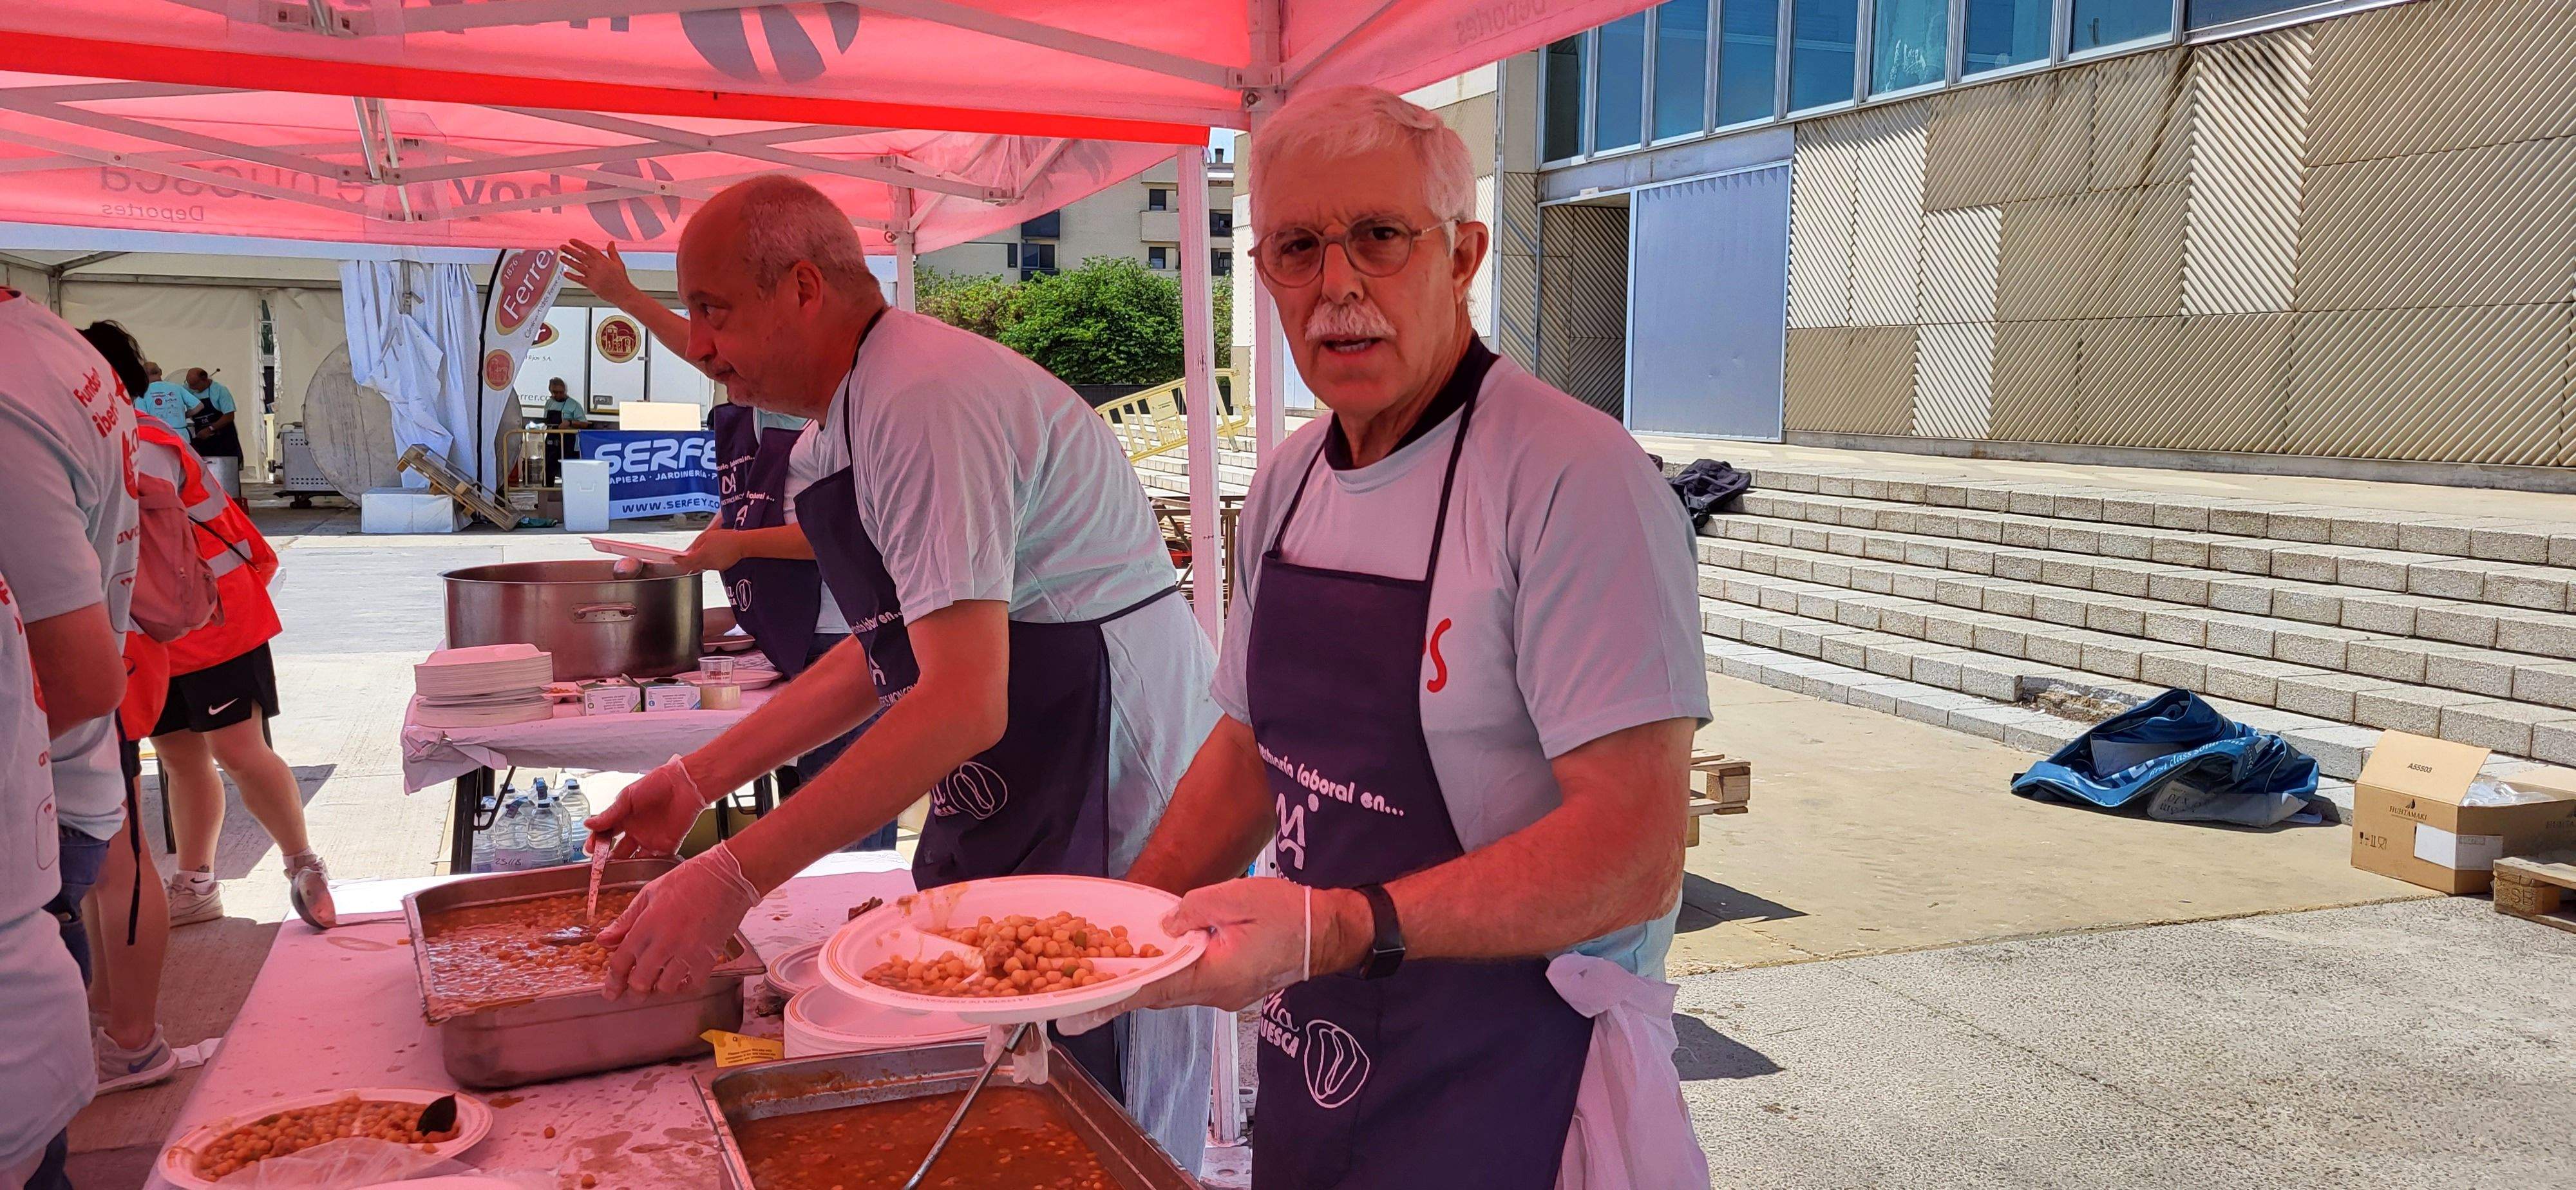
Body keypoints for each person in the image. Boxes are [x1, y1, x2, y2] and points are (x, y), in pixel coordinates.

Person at [1073, 86, 1714, 1188]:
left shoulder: (1574, 478)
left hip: (1525, 1087)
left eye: (1379, 237)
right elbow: (1246, 748)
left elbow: (1634, 851)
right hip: (1323, 1057)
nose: (1338, 286)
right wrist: (1119, 939)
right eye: (1296, 247)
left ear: (1462, 254)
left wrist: (1332, 925)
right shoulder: (1286, 479)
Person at [576, 178, 1215, 1166]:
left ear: (801, 288)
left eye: (713, 310)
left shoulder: (921, 400)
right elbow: (885, 654)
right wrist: (696, 779)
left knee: (1102, 1053)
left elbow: (958, 700)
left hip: (1105, 744)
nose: (697, 345)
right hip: (1032, 738)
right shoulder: (850, 417)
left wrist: (734, 876)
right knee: (1008, 1036)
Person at [562, 241, 893, 850]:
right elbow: (755, 498)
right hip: (785, 633)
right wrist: (715, 538)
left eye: (719, 318)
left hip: (841, 634)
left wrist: (739, 546)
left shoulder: (838, 407)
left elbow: (852, 538)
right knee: (808, 800)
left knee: (845, 822)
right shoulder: (759, 408)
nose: (704, 351)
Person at [0, 286, 122, 1189]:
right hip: (61, 813)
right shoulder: (42, 343)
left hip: (37, 832)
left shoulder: (8, 388)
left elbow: (79, 679)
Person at [180, 367, 240, 463]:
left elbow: (229, 416)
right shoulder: (186, 390)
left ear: (204, 379)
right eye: (189, 384)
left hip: (224, 441)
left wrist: (210, 429)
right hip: (203, 443)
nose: (191, 388)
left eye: (195, 385)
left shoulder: (220, 391)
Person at [540, 377, 590, 486]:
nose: (558, 395)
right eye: (555, 392)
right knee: (549, 471)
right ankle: (545, 499)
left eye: (561, 392)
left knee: (569, 472)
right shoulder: (549, 403)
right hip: (552, 440)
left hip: (569, 442)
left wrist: (570, 423)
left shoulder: (574, 405)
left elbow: (585, 424)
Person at [135, 361, 192, 434]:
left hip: (158, 434)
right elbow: (199, 406)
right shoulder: (177, 388)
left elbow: (142, 418)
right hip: (181, 434)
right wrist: (184, 416)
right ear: (161, 372)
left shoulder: (142, 393)